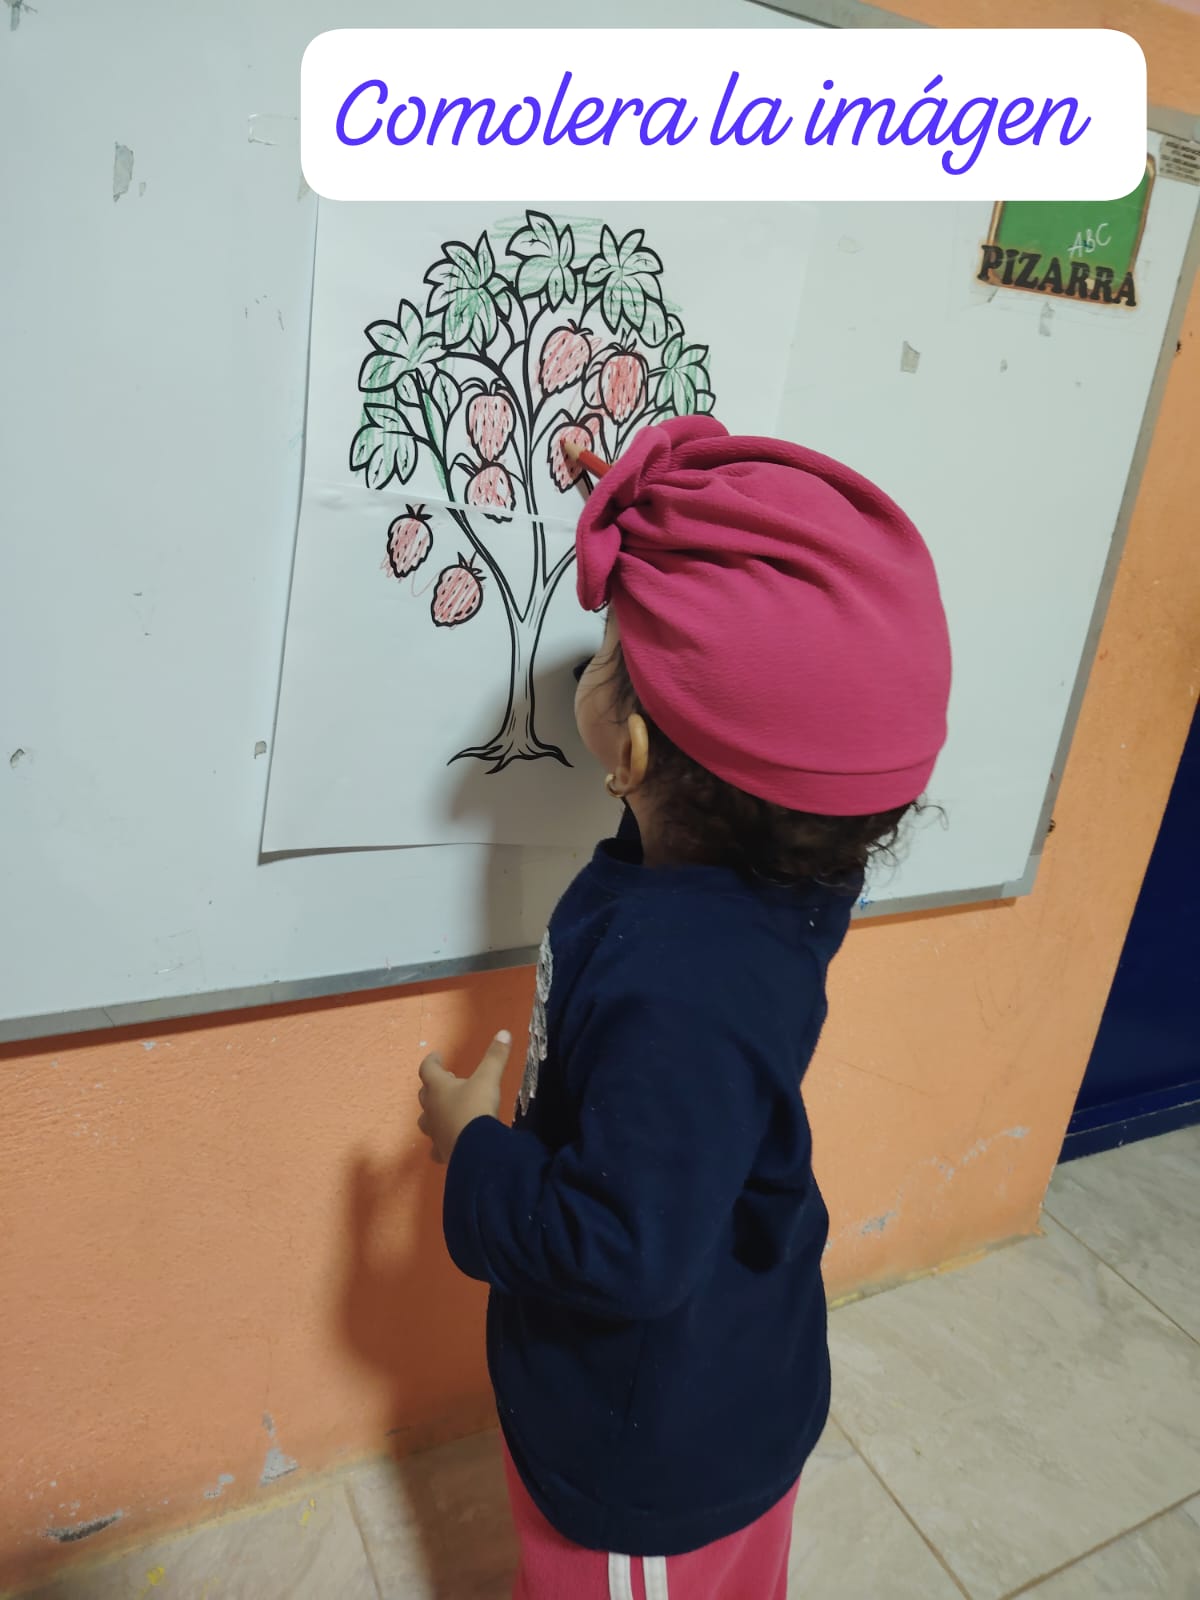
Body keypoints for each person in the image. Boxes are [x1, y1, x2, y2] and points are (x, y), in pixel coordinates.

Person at [416, 415, 952, 1599]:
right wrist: (646, 502)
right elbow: (802, 685)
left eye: (607, 647)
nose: (591, 656)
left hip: (645, 1446)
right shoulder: (791, 877)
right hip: (731, 1372)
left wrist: (473, 1152)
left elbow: (623, 1250)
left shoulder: (681, 984)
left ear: (632, 753)